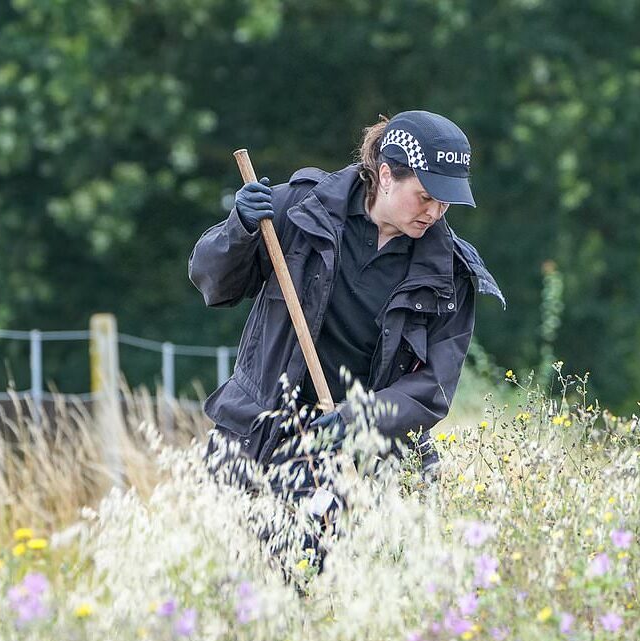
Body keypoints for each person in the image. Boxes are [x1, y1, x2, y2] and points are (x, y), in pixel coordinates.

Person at [189, 110, 504, 529]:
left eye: (446, 201)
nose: (435, 212)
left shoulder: (450, 273)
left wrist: (357, 420)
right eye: (426, 196)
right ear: (387, 175)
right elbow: (214, 283)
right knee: (230, 584)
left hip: (363, 461)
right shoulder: (300, 210)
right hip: (253, 439)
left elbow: (433, 387)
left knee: (337, 587)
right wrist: (239, 227)